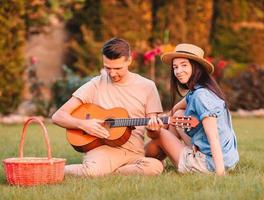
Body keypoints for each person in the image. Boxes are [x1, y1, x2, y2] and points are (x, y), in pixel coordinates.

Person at [52, 38, 164, 176]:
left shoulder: (148, 86)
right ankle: (53, 170)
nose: (112, 73)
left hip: (134, 153)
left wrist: (154, 129)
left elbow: (153, 134)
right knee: (92, 172)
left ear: (129, 61)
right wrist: (83, 124)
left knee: (155, 167)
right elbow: (58, 116)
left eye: (117, 68)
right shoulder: (95, 84)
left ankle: (109, 171)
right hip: (103, 150)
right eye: (107, 68)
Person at [145, 43, 239, 176]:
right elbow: (177, 109)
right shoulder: (199, 90)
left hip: (211, 164)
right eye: (175, 67)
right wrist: (165, 118)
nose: (178, 71)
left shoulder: (201, 96)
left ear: (196, 67)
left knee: (160, 134)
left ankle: (142, 161)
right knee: (178, 114)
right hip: (229, 160)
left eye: (184, 65)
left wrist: (220, 175)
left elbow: (214, 137)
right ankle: (158, 159)